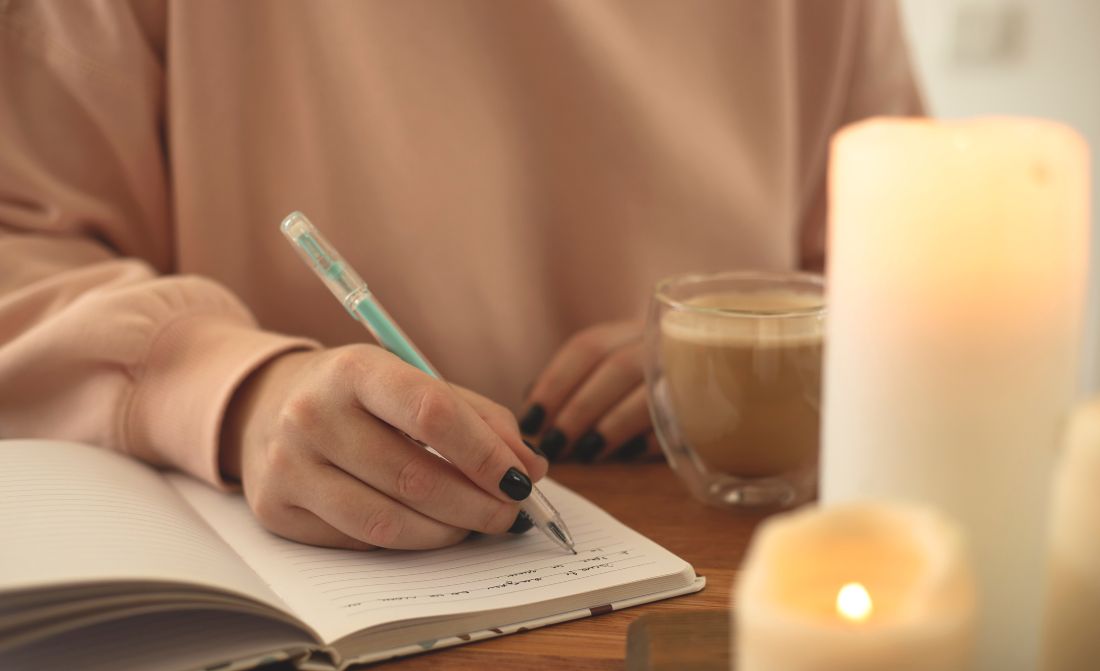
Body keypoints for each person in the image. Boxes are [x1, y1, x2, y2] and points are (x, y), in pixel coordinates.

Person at [0, 0, 922, 550]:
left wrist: (742, 355)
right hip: (285, 574)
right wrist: (237, 389)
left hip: (736, 548)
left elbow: (914, 264)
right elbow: (24, 249)